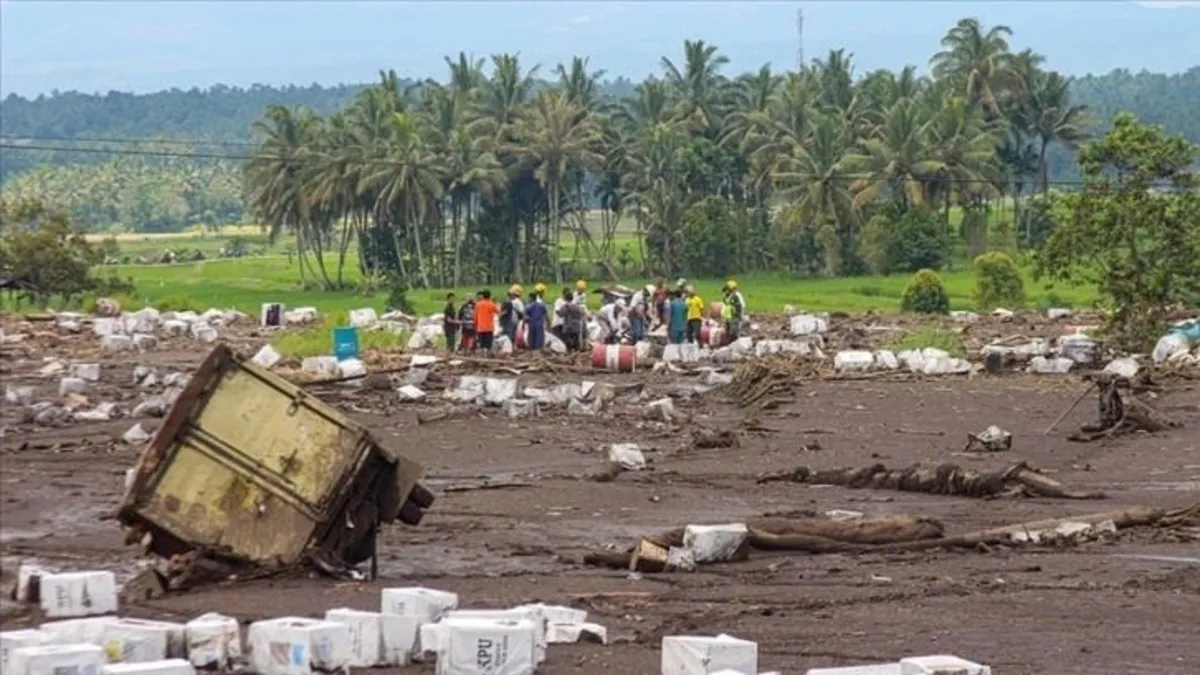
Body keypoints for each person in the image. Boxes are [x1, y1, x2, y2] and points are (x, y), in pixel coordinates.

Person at [558, 287, 586, 351]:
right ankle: (577, 353)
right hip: (576, 326)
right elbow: (582, 314)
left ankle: (569, 352)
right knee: (576, 342)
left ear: (565, 298)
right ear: (572, 298)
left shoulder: (565, 306)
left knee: (568, 342)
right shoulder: (577, 306)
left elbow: (561, 315)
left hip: (568, 326)